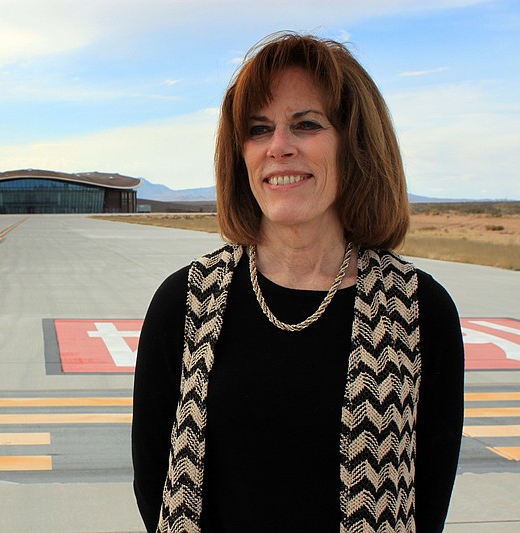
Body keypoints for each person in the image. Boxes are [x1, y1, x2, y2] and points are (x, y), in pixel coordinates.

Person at [131, 32, 464, 533]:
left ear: (355, 145)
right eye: (259, 129)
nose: (279, 148)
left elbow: (427, 500)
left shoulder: (418, 310)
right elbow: (154, 483)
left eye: (306, 125)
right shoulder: (184, 301)